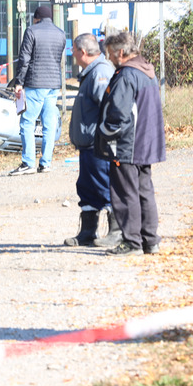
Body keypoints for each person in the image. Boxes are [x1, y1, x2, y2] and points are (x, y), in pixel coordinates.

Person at [95, 31, 166, 256]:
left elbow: (118, 113)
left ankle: (132, 243)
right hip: (146, 141)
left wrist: (105, 133)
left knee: (126, 193)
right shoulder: (147, 71)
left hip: (125, 144)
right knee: (144, 191)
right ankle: (150, 241)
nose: (109, 59)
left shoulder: (126, 75)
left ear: (121, 53)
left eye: (110, 54)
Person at [64, 33, 120, 247]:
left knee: (104, 187)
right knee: (88, 188)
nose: (73, 55)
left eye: (74, 51)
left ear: (83, 52)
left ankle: (116, 232)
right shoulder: (91, 73)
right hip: (88, 145)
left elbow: (109, 108)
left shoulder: (100, 72)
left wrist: (105, 139)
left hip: (99, 145)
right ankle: (88, 232)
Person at [10, 5, 66, 175]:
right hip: (53, 84)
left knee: (27, 121)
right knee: (49, 124)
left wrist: (19, 82)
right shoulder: (61, 34)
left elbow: (24, 58)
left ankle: (28, 163)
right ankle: (46, 163)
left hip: (35, 83)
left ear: (37, 18)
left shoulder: (31, 31)